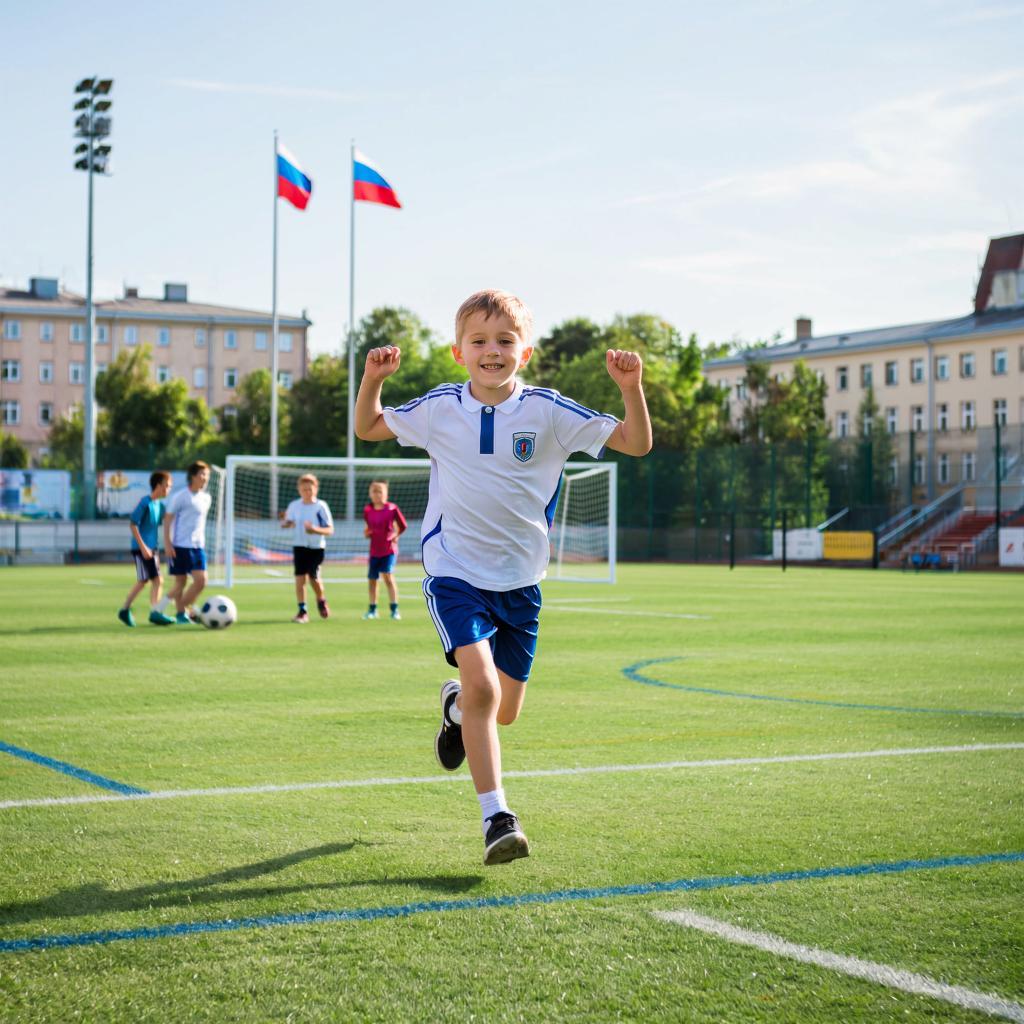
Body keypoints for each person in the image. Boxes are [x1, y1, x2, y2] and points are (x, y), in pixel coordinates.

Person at [355, 288, 651, 865]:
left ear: (527, 352)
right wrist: (373, 380)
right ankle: (498, 818)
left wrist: (630, 389)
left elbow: (636, 444)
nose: (492, 350)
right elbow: (369, 427)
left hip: (521, 582)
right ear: (457, 352)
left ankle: (453, 709)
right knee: (485, 691)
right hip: (455, 572)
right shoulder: (441, 407)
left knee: (502, 710)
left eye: (505, 341)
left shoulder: (549, 412)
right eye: (480, 341)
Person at [118, 470, 176, 627]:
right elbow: (133, 524)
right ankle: (155, 612)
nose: (169, 489)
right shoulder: (145, 503)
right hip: (141, 548)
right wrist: (143, 547)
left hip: (152, 549)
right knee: (158, 580)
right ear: (158, 485)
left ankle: (125, 610)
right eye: (167, 486)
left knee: (144, 581)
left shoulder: (160, 506)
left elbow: (170, 521)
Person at [279, 473, 334, 623]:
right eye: (304, 489)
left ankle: (321, 600)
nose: (307, 492)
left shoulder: (320, 506)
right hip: (299, 546)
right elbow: (288, 523)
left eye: (310, 489)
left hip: (316, 547)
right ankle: (302, 611)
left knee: (313, 577)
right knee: (299, 579)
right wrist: (285, 522)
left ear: (316, 489)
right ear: (299, 489)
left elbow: (330, 529)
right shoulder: (294, 506)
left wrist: (315, 530)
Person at [163, 460, 212, 626]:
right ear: (193, 476)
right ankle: (181, 614)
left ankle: (181, 610)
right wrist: (168, 543)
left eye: (207, 475)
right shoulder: (180, 496)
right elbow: (168, 520)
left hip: (198, 546)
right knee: (180, 582)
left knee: (201, 581)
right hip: (180, 546)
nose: (205, 478)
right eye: (202, 474)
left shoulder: (206, 498)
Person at [362, 479, 407, 620]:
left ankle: (394, 609)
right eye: (374, 491)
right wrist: (367, 533)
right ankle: (372, 609)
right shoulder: (367, 510)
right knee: (372, 580)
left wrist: (396, 535)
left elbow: (403, 525)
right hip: (374, 550)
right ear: (370, 494)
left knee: (387, 576)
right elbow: (368, 528)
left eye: (380, 491)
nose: (377, 494)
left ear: (386, 494)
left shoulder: (392, 509)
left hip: (389, 549)